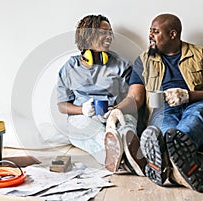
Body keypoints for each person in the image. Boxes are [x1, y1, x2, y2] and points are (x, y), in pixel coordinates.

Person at [108, 13, 203, 192]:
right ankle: (180, 169)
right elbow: (135, 98)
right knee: (161, 131)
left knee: (198, 114)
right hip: (164, 112)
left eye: (155, 31)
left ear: (173, 34)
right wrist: (115, 110)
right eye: (150, 31)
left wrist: (188, 96)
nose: (150, 35)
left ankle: (167, 159)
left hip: (199, 109)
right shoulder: (143, 61)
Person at [56, 14, 146, 175]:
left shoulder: (122, 64)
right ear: (88, 35)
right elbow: (62, 105)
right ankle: (120, 158)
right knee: (95, 133)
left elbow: (134, 98)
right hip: (84, 118)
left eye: (110, 32)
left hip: (117, 112)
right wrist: (82, 110)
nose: (109, 36)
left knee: (126, 126)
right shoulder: (69, 68)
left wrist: (116, 111)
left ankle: (128, 147)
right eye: (103, 32)